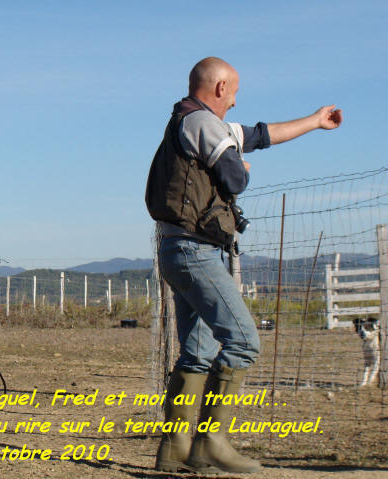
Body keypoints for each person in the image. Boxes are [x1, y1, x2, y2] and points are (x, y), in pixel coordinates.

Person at [145, 57, 342, 474]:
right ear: (219, 88)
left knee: (197, 353)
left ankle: (175, 449)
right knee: (243, 342)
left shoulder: (191, 122)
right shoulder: (202, 123)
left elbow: (261, 135)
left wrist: (315, 120)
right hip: (196, 251)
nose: (235, 101)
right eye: (233, 92)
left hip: (176, 248)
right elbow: (235, 177)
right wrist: (242, 167)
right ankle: (210, 443)